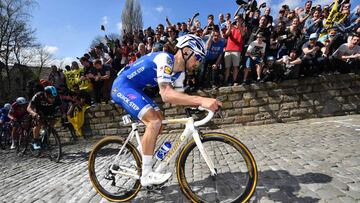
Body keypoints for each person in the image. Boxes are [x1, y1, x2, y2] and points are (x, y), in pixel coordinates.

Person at [111, 34, 222, 186]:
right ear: (186, 51)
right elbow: (167, 95)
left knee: (160, 122)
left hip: (137, 89)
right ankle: (147, 174)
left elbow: (179, 97)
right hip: (122, 86)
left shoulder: (179, 73)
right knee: (154, 121)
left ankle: (137, 158)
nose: (198, 62)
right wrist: (203, 100)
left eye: (201, 59)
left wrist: (200, 106)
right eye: (198, 57)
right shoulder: (165, 59)